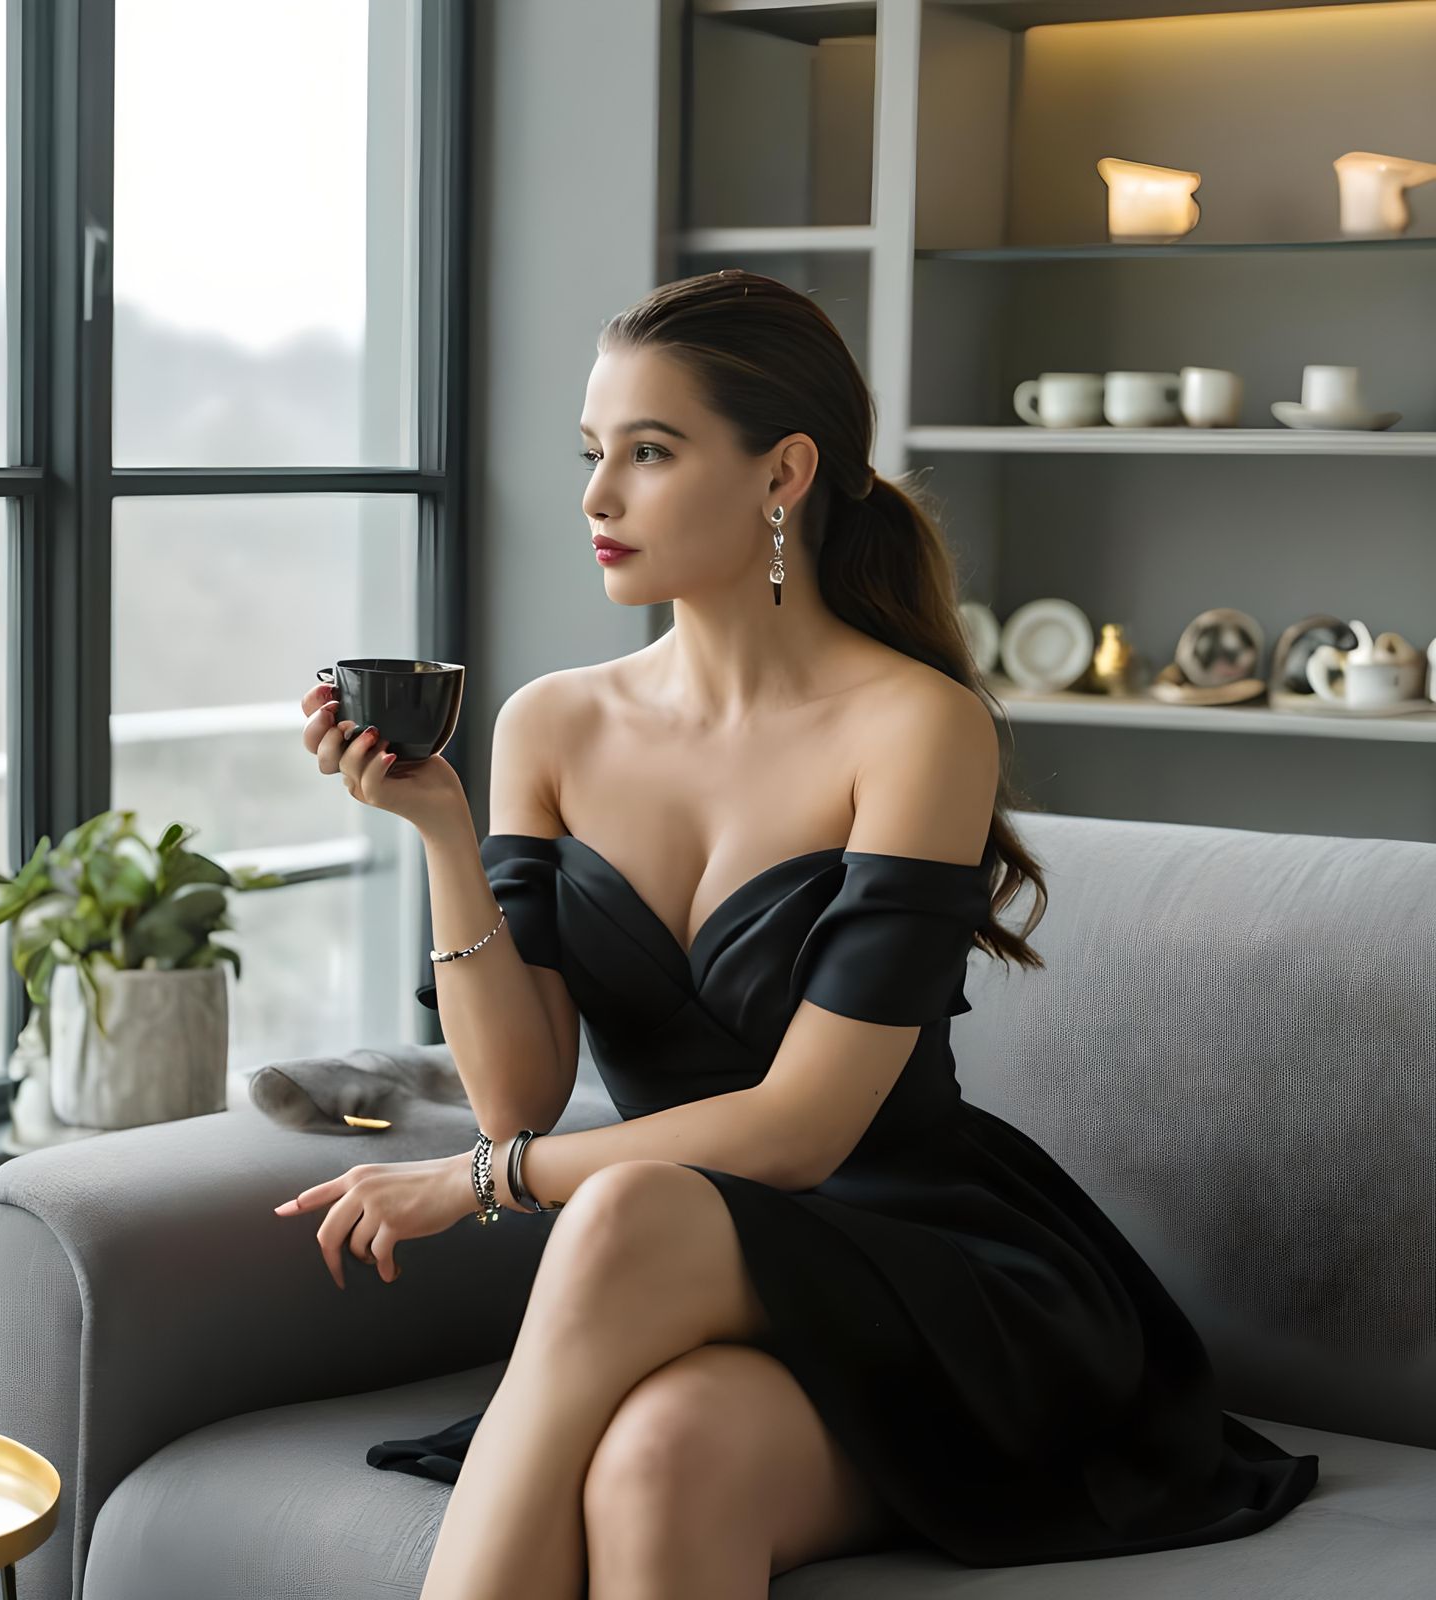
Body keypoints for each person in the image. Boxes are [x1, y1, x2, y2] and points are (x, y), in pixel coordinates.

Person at [281, 270, 1319, 1597]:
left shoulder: (913, 726)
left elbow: (800, 1131)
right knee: (662, 1455)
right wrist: (441, 833)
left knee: (629, 1219)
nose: (597, 500)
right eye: (595, 456)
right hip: (688, 1277)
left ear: (784, 473)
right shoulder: (548, 723)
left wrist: (476, 1186)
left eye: (649, 455)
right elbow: (519, 1095)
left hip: (926, 1274)